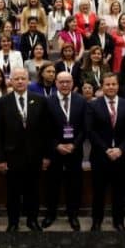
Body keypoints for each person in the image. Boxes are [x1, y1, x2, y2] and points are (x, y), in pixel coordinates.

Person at [0, 67, 50, 232]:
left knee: (33, 191)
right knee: (13, 193)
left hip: (35, 156)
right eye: (16, 78)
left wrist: (46, 156)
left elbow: (45, 131)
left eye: (22, 78)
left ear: (28, 81)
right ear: (10, 80)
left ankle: (32, 220)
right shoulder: (2, 102)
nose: (19, 81)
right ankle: (13, 222)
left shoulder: (40, 100)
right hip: (12, 156)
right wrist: (0, 159)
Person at [86, 72, 125, 231]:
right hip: (100, 156)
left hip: (121, 157)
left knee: (119, 191)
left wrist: (121, 149)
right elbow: (90, 131)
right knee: (98, 191)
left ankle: (119, 221)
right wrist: (106, 149)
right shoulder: (93, 105)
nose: (110, 87)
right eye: (107, 84)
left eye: (113, 84)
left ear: (118, 86)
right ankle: (97, 221)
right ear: (102, 86)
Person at [42, 72, 87, 231]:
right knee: (52, 184)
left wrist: (74, 145)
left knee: (74, 184)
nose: (65, 85)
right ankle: (50, 214)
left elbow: (84, 128)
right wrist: (56, 145)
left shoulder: (81, 101)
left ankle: (73, 215)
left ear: (72, 82)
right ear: (56, 83)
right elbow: (45, 128)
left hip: (75, 151)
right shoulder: (47, 102)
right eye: (61, 82)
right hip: (55, 151)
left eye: (68, 82)